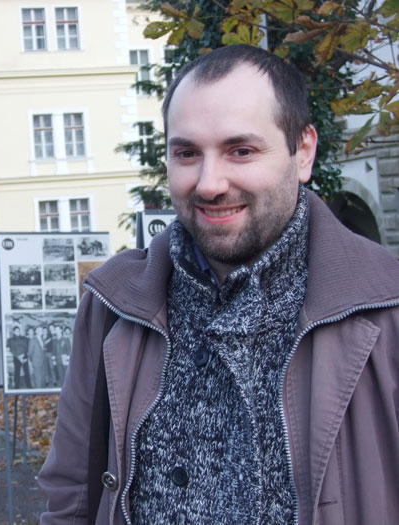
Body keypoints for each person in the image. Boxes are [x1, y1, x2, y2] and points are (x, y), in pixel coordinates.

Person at [38, 44, 399, 525]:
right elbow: (72, 493)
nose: (209, 183)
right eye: (187, 153)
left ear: (304, 151)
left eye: (241, 150)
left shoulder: (385, 308)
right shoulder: (113, 306)